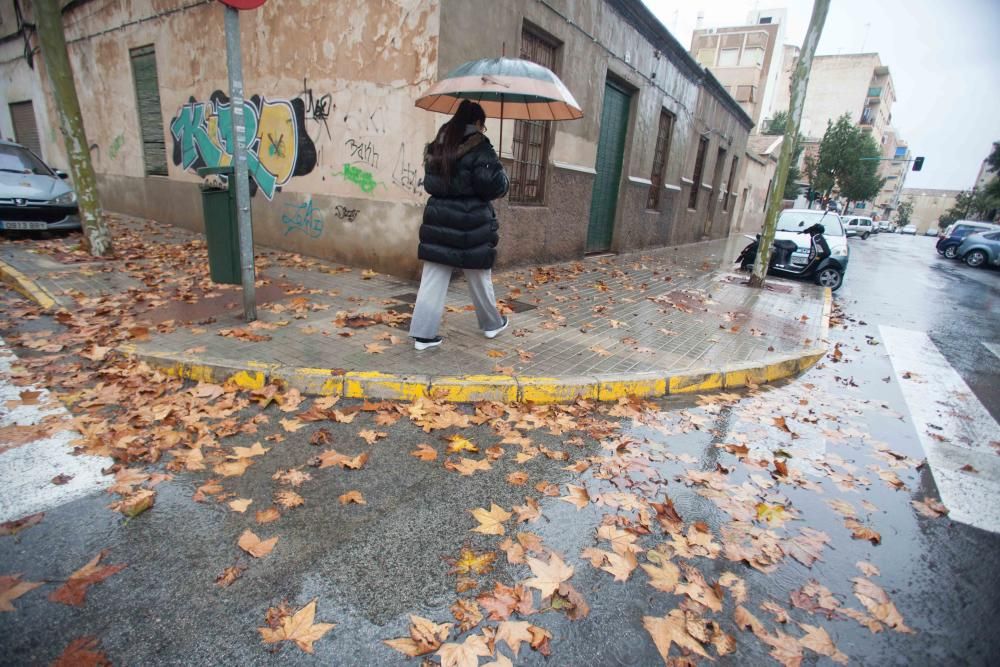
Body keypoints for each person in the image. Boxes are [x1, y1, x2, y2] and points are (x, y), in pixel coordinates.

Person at [408, 100, 510, 351]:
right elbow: (491, 185)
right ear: (477, 123)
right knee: (478, 275)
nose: (482, 130)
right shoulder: (480, 146)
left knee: (433, 277)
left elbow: (431, 183)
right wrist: (502, 176)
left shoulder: (438, 144)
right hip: (471, 221)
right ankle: (491, 324)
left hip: (439, 217)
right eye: (482, 125)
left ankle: (423, 336)